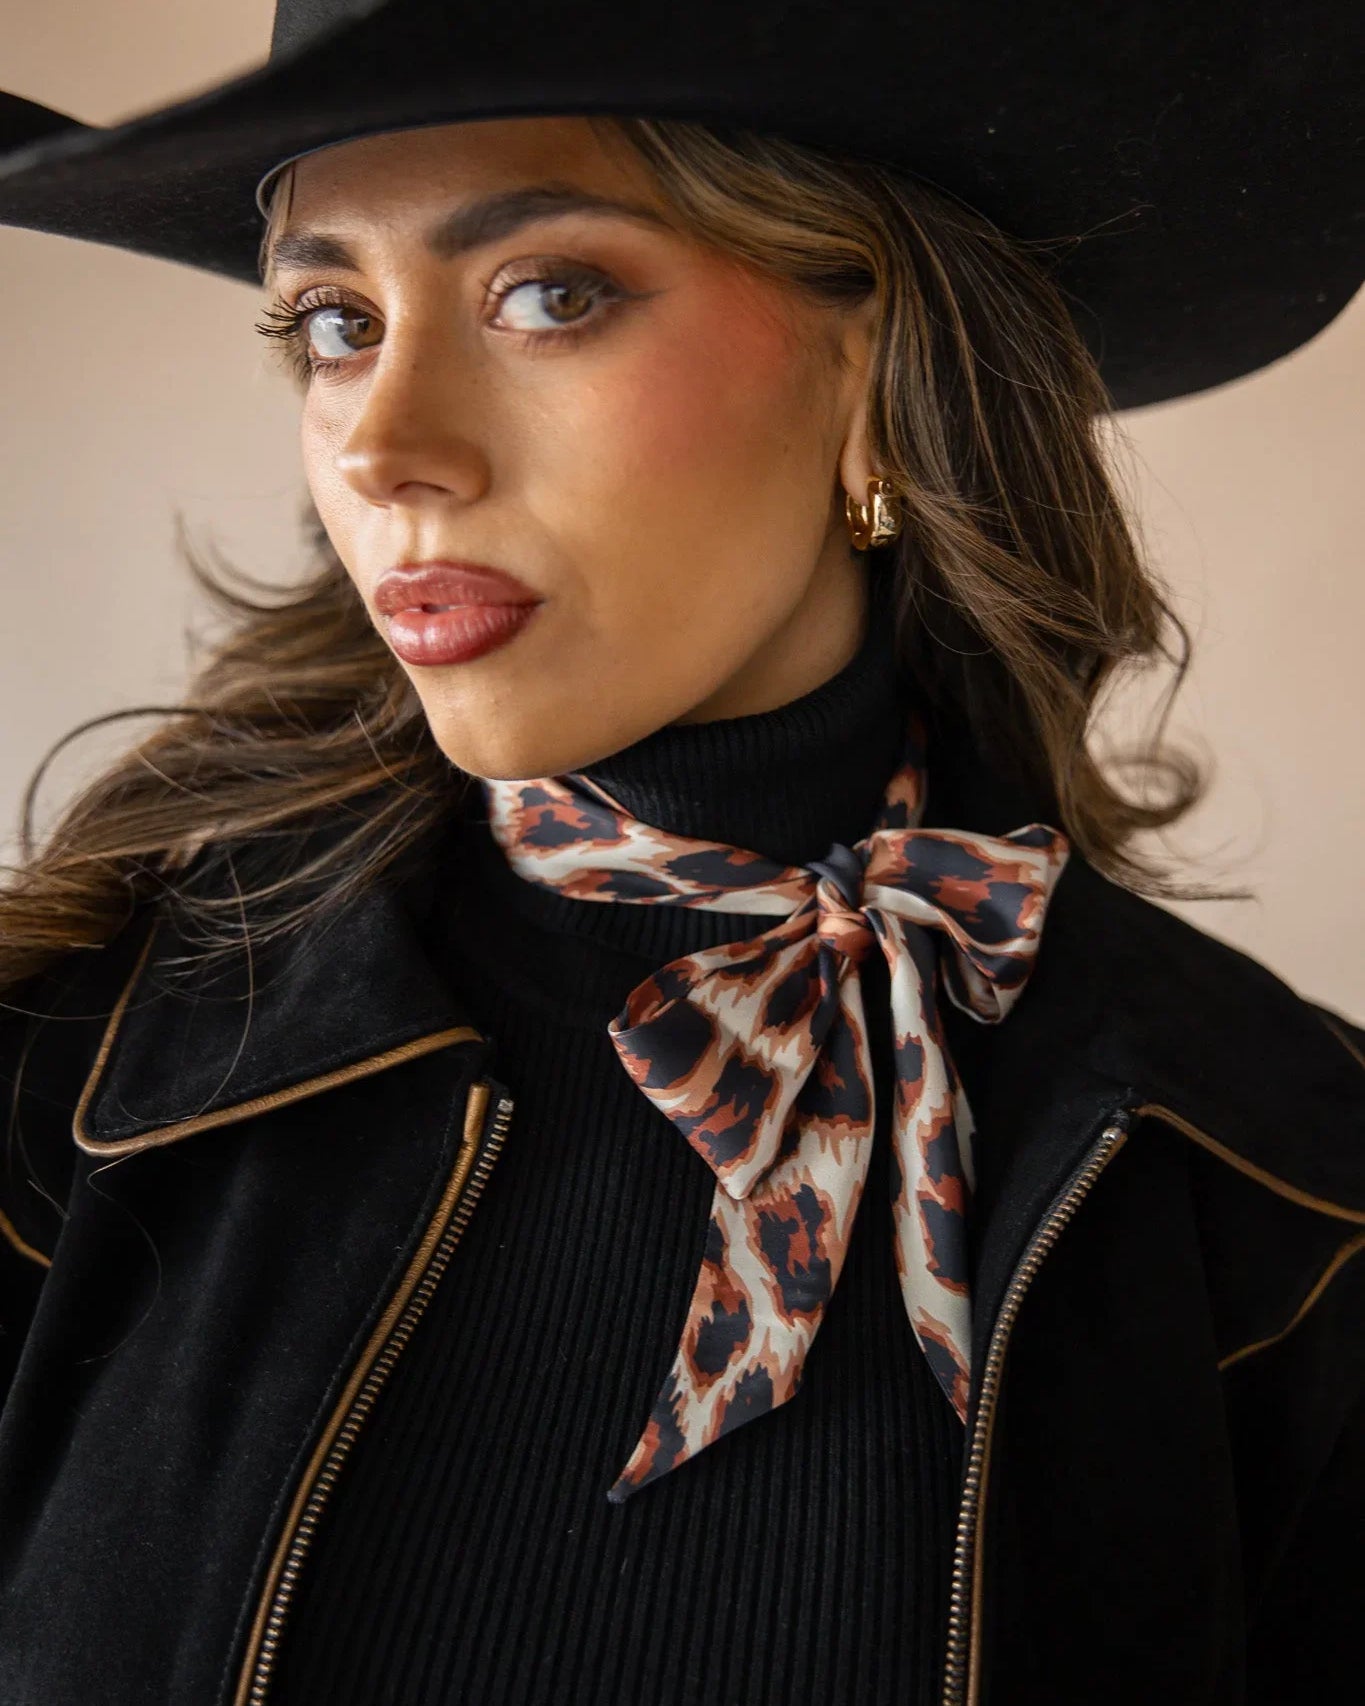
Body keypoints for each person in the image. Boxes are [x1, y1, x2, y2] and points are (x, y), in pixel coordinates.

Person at [0, 3, 1361, 1703]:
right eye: (334, 319)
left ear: (874, 367)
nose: (382, 441)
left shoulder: (1288, 1185)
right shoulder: (68, 1070)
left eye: (549, 294)